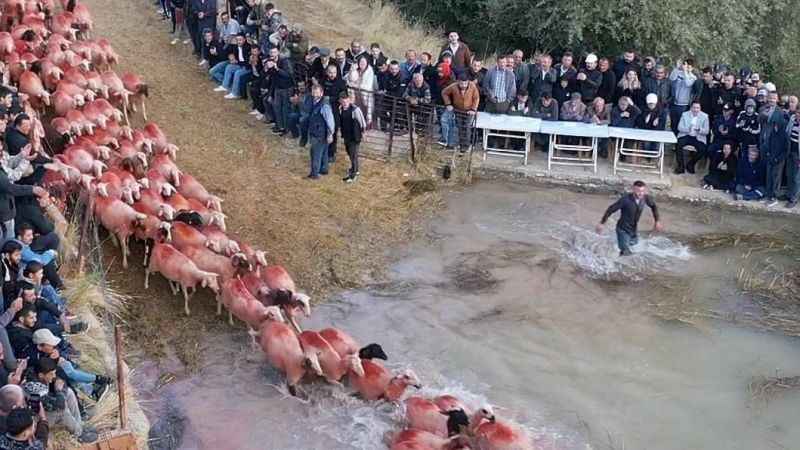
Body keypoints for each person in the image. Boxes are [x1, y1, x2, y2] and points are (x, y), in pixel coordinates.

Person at [21, 358, 96, 443]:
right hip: (37, 420)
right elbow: (58, 405)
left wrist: (57, 388)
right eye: (51, 374)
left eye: (54, 373)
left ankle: (79, 426)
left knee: (69, 393)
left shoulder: (42, 375)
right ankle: (79, 434)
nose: (54, 376)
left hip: (45, 408)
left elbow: (58, 386)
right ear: (41, 375)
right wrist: (58, 391)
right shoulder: (34, 388)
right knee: (62, 410)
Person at [596, 180, 663, 257]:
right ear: (633, 189)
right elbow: (611, 209)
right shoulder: (625, 200)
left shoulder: (645, 198)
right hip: (622, 230)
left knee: (634, 246)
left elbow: (654, 206)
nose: (641, 193)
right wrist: (602, 223)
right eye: (638, 191)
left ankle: (617, 248)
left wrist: (657, 221)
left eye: (642, 191)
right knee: (626, 252)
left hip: (633, 230)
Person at [1, 161, 46, 243]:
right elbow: (11, 188)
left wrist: (23, 157)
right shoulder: (32, 210)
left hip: (8, 211)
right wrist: (32, 189)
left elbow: (11, 172)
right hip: (5, 214)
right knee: (7, 241)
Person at [759, 92, 788, 206]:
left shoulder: (780, 112)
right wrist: (764, 114)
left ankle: (774, 197)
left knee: (776, 174)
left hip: (775, 146)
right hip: (764, 143)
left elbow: (781, 129)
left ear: (777, 99)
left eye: (774, 98)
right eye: (770, 98)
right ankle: (768, 194)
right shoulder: (763, 108)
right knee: (768, 172)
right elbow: (759, 120)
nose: (771, 100)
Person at [441, 74, 479, 152]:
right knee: (459, 127)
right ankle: (460, 145)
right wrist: (448, 104)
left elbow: (476, 98)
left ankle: (466, 146)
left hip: (469, 111)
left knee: (467, 127)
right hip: (458, 110)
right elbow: (444, 93)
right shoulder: (453, 86)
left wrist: (473, 109)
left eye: (465, 83)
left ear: (468, 82)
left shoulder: (472, 86)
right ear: (458, 82)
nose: (463, 85)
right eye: (461, 83)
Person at [304, 84, 335, 180]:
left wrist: (330, 134)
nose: (314, 94)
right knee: (324, 152)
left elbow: (330, 121)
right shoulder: (314, 102)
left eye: (317, 92)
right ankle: (324, 169)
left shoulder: (324, 106)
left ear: (321, 93)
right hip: (319, 132)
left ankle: (314, 174)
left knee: (315, 153)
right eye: (313, 91)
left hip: (319, 134)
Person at [17, 225, 60, 291]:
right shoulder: (22, 250)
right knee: (48, 289)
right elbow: (41, 261)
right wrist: (51, 252)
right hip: (26, 281)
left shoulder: (20, 244)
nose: (31, 237)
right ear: (20, 237)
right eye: (28, 235)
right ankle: (58, 286)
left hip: (29, 274)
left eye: (32, 234)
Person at [210, 33, 251, 100]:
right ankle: (225, 86)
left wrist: (237, 62)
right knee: (229, 67)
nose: (239, 41)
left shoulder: (248, 47)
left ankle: (235, 93)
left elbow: (247, 62)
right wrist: (231, 56)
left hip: (247, 67)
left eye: (240, 40)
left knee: (238, 73)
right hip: (239, 64)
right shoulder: (235, 46)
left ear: (244, 40)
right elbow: (227, 52)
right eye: (237, 40)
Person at [337, 93, 366, 183]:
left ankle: (353, 176)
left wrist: (363, 133)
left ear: (349, 100)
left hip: (355, 136)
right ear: (340, 101)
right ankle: (355, 169)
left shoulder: (355, 110)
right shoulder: (340, 109)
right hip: (346, 136)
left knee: (353, 155)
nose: (345, 103)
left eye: (346, 101)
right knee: (350, 153)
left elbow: (362, 122)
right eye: (343, 101)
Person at [675, 100, 710, 174]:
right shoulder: (685, 114)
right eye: (694, 107)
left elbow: (706, 131)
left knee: (703, 149)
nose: (696, 109)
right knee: (678, 145)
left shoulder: (705, 116)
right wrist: (688, 129)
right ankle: (681, 166)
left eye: (697, 108)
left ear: (700, 109)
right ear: (691, 108)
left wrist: (699, 130)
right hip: (686, 135)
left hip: (698, 137)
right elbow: (679, 127)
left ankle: (691, 164)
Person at [669, 58, 697, 135]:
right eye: (685, 65)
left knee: (681, 126)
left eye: (689, 67)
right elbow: (671, 78)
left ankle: (680, 143)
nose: (686, 68)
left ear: (692, 68)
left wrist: (685, 72)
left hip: (684, 105)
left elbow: (688, 84)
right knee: (673, 125)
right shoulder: (679, 73)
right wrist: (677, 68)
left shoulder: (693, 77)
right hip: (674, 104)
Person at [785, 108, 800, 208]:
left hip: (798, 154)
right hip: (790, 151)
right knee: (789, 174)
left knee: (796, 177)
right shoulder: (792, 119)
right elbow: (787, 132)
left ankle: (794, 198)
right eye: (798, 112)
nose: (798, 114)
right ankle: (789, 194)